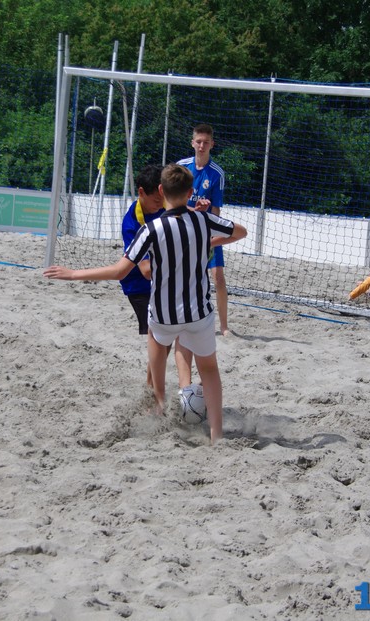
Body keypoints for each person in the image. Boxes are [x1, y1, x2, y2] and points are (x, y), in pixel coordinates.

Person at [45, 164, 248, 444]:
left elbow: (119, 271)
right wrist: (206, 242)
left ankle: (160, 406)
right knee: (210, 371)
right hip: (199, 313)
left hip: (164, 315)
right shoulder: (202, 220)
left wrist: (73, 274)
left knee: (157, 343)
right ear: (190, 192)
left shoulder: (151, 229)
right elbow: (240, 232)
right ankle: (216, 436)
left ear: (161, 191)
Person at [177, 124, 229, 336]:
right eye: (198, 141)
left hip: (207, 231)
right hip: (184, 230)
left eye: (206, 142)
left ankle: (224, 326)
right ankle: (181, 319)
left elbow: (216, 209)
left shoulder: (217, 173)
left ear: (212, 144)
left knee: (218, 278)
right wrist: (192, 210)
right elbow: (173, 203)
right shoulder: (181, 168)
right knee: (182, 276)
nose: (201, 145)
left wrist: (213, 235)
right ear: (192, 143)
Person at [120, 163, 166, 385]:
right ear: (141, 192)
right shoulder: (131, 223)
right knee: (160, 337)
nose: (160, 205)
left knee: (165, 337)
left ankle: (152, 385)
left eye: (163, 199)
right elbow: (146, 271)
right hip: (139, 287)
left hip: (163, 282)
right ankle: (153, 387)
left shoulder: (164, 204)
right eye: (156, 200)